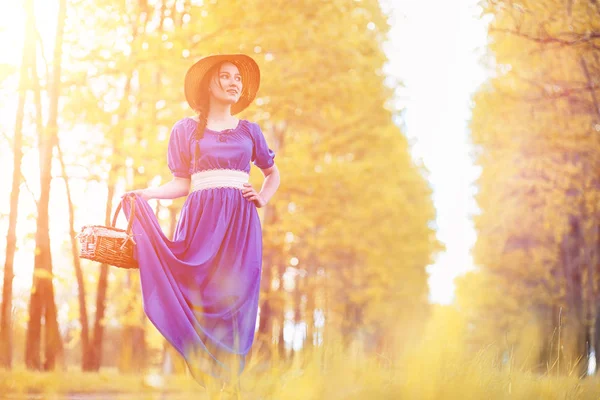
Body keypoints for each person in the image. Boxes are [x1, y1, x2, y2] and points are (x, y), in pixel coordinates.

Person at [120, 53, 280, 398]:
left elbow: (271, 172)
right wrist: (146, 194)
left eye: (238, 78)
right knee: (199, 295)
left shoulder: (250, 131)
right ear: (209, 82)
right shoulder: (185, 131)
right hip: (201, 224)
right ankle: (208, 377)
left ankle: (230, 385)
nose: (233, 82)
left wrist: (263, 197)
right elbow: (181, 183)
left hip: (240, 224)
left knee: (235, 297)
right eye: (225, 76)